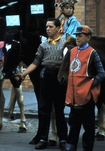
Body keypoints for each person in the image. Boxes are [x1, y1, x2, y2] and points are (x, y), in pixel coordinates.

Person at [17, 18, 67, 150]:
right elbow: (35, 62)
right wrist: (23, 74)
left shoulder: (64, 44)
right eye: (46, 27)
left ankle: (62, 139)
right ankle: (43, 139)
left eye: (50, 27)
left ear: (57, 28)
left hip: (58, 78)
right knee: (44, 110)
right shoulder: (43, 45)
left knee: (59, 111)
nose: (47, 29)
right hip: (46, 78)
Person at [63, 25, 105, 151]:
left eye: (80, 36)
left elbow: (102, 74)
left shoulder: (93, 53)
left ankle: (87, 148)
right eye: (76, 35)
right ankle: (71, 146)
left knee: (88, 125)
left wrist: (89, 85)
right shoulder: (72, 51)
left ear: (88, 37)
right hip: (74, 96)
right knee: (73, 123)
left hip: (87, 97)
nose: (77, 38)